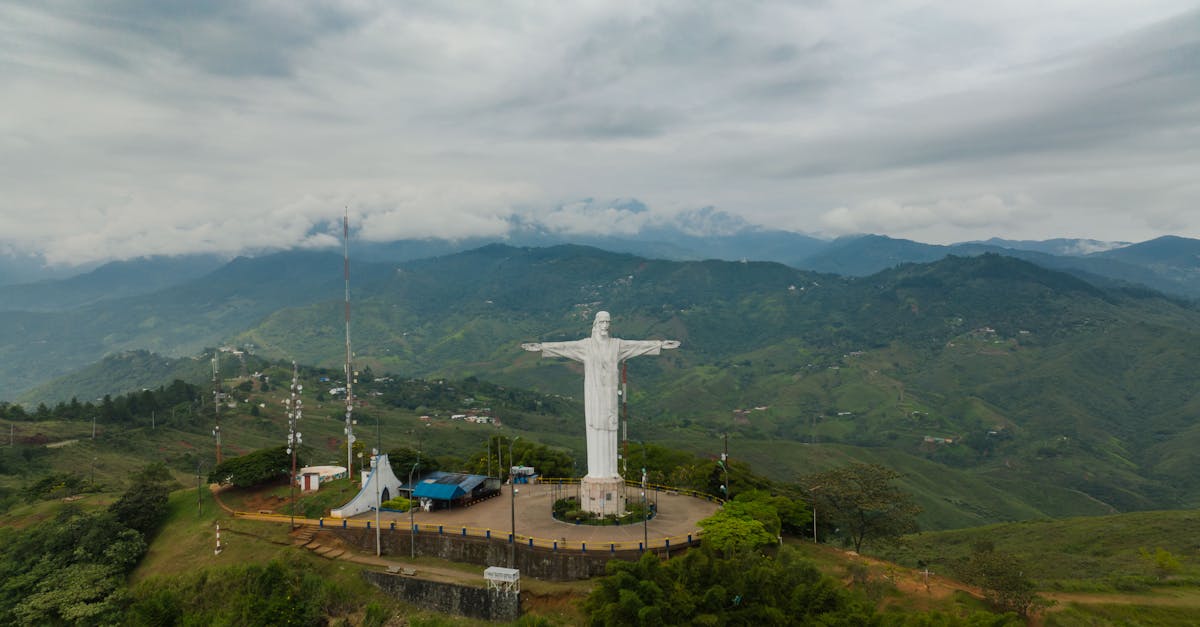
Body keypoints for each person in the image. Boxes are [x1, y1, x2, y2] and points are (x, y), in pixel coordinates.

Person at [522, 311, 679, 478]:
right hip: (593, 394)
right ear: (595, 325)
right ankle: (596, 473)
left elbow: (637, 346)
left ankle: (611, 471)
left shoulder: (617, 345)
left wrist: (660, 345)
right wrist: (542, 347)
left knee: (611, 428)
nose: (605, 326)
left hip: (610, 394)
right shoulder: (586, 346)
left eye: (607, 322)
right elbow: (565, 347)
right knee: (595, 429)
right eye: (602, 322)